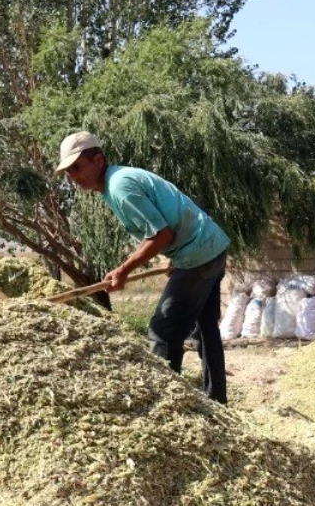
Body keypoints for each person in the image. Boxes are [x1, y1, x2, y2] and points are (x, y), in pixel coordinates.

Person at [57, 131, 231, 404]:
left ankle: (165, 405)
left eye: (77, 167)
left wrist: (123, 270)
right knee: (205, 328)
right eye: (68, 172)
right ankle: (217, 400)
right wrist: (172, 253)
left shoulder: (119, 187)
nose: (73, 177)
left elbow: (160, 234)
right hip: (211, 247)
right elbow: (169, 223)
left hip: (197, 255)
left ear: (98, 160)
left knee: (163, 331)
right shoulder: (118, 181)